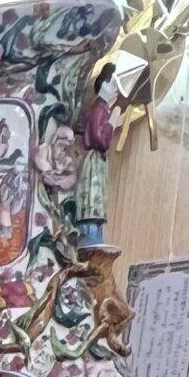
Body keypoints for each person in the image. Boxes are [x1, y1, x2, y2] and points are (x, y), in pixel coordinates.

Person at [76, 64, 119, 247]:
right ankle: (90, 236)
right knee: (92, 196)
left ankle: (95, 235)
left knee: (98, 197)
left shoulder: (103, 108)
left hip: (98, 161)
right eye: (113, 84)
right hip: (94, 160)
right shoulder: (99, 108)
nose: (115, 89)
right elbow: (98, 138)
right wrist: (112, 124)